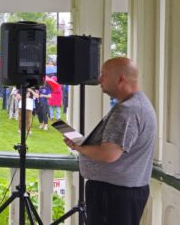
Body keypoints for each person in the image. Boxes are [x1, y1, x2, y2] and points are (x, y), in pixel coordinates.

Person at [63, 57, 155, 225]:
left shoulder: (126, 110)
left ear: (121, 79)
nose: (99, 80)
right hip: (121, 192)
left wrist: (79, 147)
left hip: (114, 194)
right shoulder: (139, 104)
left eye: (103, 75)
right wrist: (84, 144)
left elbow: (109, 154)